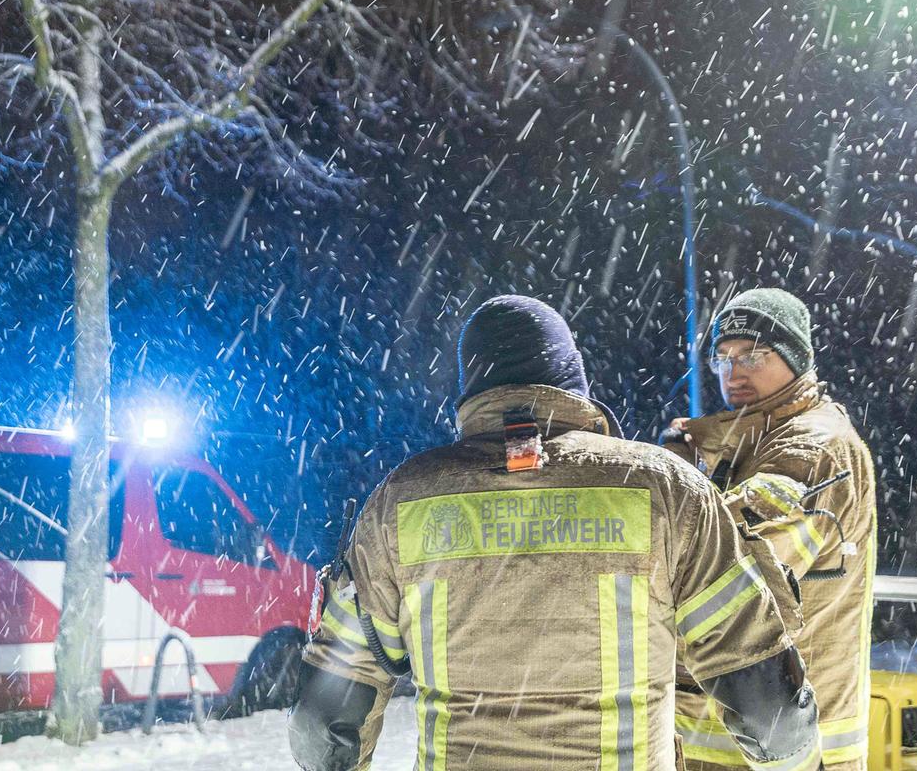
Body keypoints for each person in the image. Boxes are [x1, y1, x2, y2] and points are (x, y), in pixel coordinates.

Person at [290, 294, 824, 771]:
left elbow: (322, 723)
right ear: (571, 380)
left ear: (471, 387)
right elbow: (769, 710)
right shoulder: (666, 490)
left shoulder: (400, 502)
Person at [662, 289, 877, 771]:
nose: (734, 373)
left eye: (754, 356)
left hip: (783, 748)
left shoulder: (811, 448)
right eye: (723, 358)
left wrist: (671, 494)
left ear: (796, 359)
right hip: (740, 736)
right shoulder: (747, 440)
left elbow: (727, 574)